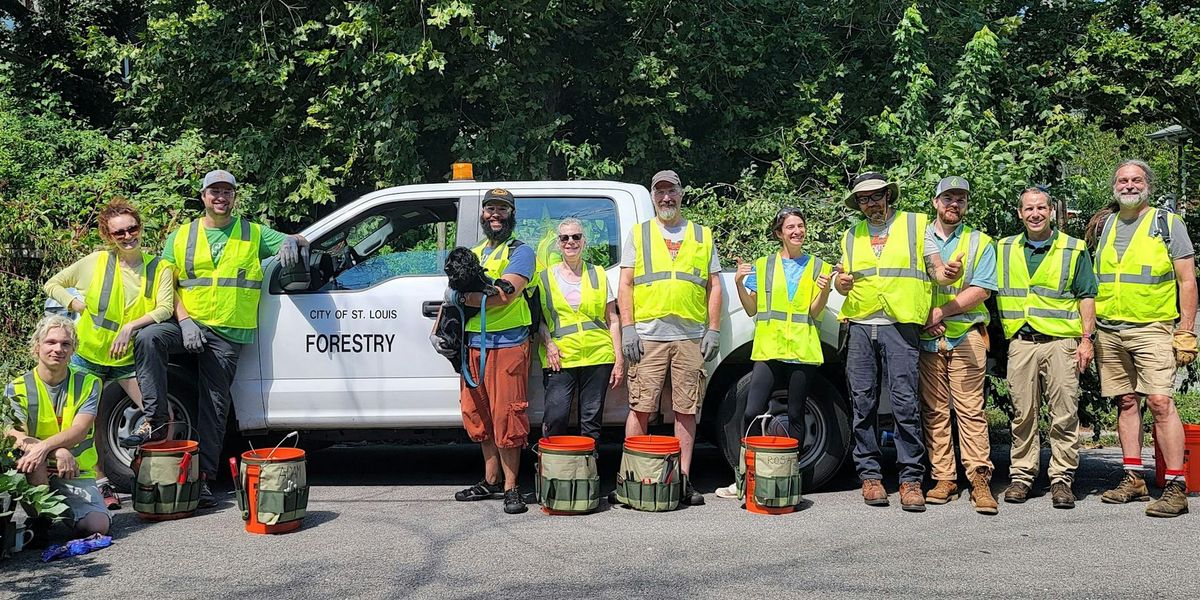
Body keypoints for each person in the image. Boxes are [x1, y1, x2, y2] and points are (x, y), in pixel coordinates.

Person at [120, 170, 308, 509]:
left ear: (234, 197)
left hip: (227, 332)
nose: (220, 197)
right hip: (187, 324)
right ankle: (158, 419)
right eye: (213, 192)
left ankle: (203, 478)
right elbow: (168, 286)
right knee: (148, 337)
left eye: (226, 192)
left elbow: (298, 239)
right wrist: (186, 321)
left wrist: (295, 242)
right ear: (203, 196)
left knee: (214, 404)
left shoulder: (253, 233)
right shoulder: (181, 236)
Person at [43, 198, 174, 510]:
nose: (128, 236)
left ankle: (154, 480)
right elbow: (53, 284)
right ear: (108, 236)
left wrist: (130, 326)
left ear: (141, 228)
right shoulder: (97, 262)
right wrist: (75, 304)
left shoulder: (161, 267)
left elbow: (165, 308)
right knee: (84, 425)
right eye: (119, 233)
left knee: (161, 417)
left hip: (126, 360)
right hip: (87, 355)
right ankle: (100, 483)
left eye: (132, 228)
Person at [835, 172, 941, 512]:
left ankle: (911, 479)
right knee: (862, 402)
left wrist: (946, 273)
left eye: (875, 196)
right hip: (862, 325)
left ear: (887, 196)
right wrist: (841, 283)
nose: (870, 203)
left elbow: (935, 267)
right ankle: (870, 476)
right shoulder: (851, 235)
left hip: (900, 324)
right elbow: (843, 281)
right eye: (863, 199)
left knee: (904, 403)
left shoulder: (915, 226)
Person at [1095, 159, 1196, 518]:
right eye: (1122, 179)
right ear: (1114, 185)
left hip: (1153, 327)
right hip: (1110, 329)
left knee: (1160, 402)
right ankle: (1134, 477)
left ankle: (1174, 485)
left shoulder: (1167, 223)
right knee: (1125, 401)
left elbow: (1187, 280)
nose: (1128, 185)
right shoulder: (1107, 223)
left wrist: (1186, 330)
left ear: (1147, 185)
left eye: (1136, 179)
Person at [619, 169, 722, 506]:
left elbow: (714, 285)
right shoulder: (640, 233)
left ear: (681, 194)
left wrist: (714, 328)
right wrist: (628, 327)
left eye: (671, 191)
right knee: (640, 408)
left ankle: (682, 480)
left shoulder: (702, 235)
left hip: (690, 336)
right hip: (648, 336)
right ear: (652, 196)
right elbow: (626, 284)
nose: (666, 197)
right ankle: (633, 479)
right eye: (660, 192)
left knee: (686, 410)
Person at [715, 208, 833, 499]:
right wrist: (741, 284)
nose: (797, 231)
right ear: (779, 233)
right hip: (770, 349)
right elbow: (752, 309)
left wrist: (826, 289)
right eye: (790, 227)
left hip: (802, 350)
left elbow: (814, 312)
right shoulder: (764, 265)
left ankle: (788, 479)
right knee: (752, 412)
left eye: (800, 226)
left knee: (795, 415)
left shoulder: (820, 267)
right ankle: (744, 479)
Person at [996, 187, 1095, 509]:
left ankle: (1061, 478)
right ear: (1020, 213)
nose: (1035, 214)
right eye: (1029, 209)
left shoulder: (1073, 248)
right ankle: (1022, 476)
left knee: (1064, 414)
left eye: (1041, 208)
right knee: (1022, 415)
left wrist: (1086, 341)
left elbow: (1086, 297)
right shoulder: (1004, 248)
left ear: (1051, 211)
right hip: (1022, 344)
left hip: (1060, 344)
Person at [452, 188, 539, 515]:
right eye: (490, 208)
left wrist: (465, 297)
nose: (495, 215)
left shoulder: (522, 252)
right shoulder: (473, 251)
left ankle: (511, 487)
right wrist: (462, 296)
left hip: (507, 345)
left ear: (512, 215)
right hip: (472, 346)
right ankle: (490, 480)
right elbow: (451, 288)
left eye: (502, 209)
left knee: (507, 417)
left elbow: (505, 295)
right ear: (483, 214)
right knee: (479, 417)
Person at [916, 177, 999, 514]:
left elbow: (981, 290)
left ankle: (979, 478)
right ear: (936, 202)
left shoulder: (980, 241)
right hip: (927, 335)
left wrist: (941, 311)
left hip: (965, 333)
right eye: (948, 198)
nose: (954, 204)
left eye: (960, 199)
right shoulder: (918, 237)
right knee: (934, 410)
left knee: (970, 410)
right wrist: (928, 316)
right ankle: (944, 477)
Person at [5, 316, 110, 540]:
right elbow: (15, 434)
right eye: (50, 342)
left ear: (73, 350)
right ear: (37, 347)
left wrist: (47, 447)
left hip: (75, 472)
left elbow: (80, 430)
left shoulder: (89, 383)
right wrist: (55, 450)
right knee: (34, 458)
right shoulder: (17, 387)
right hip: (34, 469)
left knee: (99, 526)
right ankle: (43, 521)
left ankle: (60, 518)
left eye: (65, 344)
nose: (58, 349)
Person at [538, 218, 623, 441]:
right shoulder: (544, 277)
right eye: (565, 238)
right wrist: (548, 344)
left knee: (591, 420)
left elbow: (612, 319)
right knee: (556, 417)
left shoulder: (598, 273)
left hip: (598, 354)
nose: (570, 242)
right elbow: (539, 320)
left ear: (584, 241)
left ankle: (587, 470)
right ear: (558, 243)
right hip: (561, 356)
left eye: (576, 237)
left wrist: (619, 360)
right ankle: (554, 471)